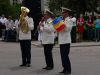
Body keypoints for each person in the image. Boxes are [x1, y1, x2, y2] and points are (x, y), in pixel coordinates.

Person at [58, 7, 73, 74]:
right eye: (62, 13)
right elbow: (59, 29)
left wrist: (61, 23)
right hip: (61, 40)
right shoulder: (62, 20)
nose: (62, 14)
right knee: (62, 57)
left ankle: (68, 70)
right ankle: (64, 68)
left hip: (66, 41)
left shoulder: (69, 20)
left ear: (67, 13)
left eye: (63, 13)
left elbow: (68, 29)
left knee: (65, 56)